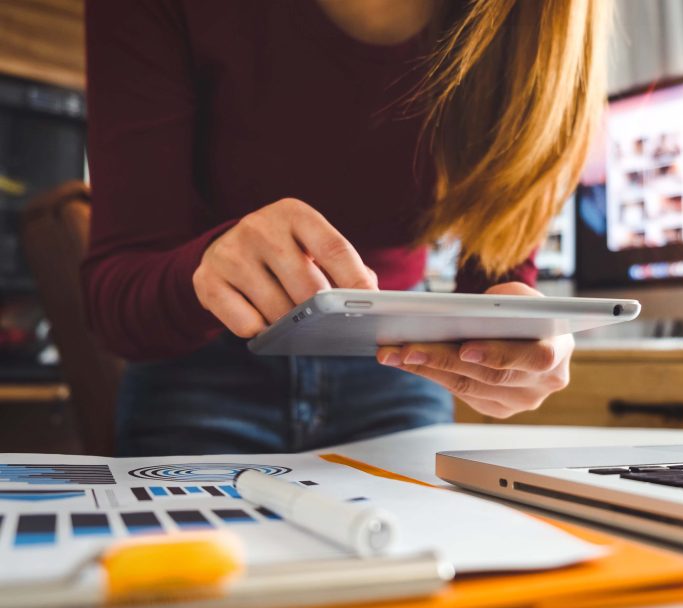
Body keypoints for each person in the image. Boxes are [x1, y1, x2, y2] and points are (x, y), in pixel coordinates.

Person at [82, 0, 610, 456]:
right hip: (196, 372)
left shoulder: (537, 29)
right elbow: (116, 304)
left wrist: (515, 347)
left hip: (398, 369)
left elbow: (496, 283)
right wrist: (206, 270)